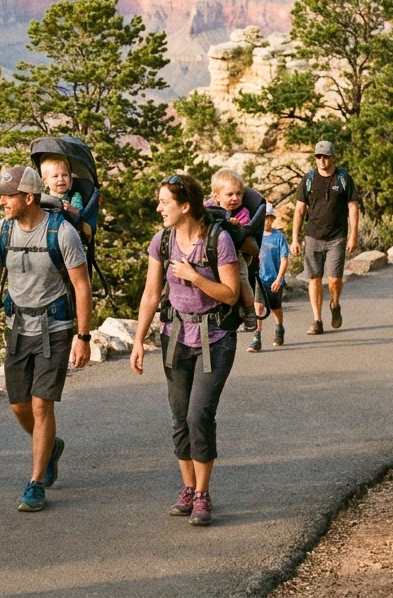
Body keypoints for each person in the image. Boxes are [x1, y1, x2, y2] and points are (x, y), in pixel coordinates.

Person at [0, 166, 93, 513]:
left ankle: (36, 482)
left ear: (29, 197)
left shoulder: (62, 233)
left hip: (54, 328)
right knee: (19, 405)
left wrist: (82, 337)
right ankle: (50, 445)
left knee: (42, 404)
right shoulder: (1, 232)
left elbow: (82, 286)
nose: (2, 202)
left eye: (8, 196)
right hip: (16, 328)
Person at [129, 173, 240, 527]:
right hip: (174, 337)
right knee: (179, 418)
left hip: (216, 338)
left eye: (165, 202)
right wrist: (138, 341)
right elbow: (150, 293)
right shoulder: (162, 242)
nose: (159, 207)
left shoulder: (218, 241)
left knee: (199, 416)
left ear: (186, 206)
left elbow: (231, 294)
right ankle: (188, 489)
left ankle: (204, 494)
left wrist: (195, 277)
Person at [291, 141, 361, 335]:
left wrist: (353, 235)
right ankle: (317, 320)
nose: (322, 160)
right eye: (318, 157)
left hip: (337, 236)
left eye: (326, 157)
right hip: (313, 235)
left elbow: (353, 207)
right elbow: (299, 210)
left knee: (334, 280)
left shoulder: (343, 178)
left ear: (333, 158)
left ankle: (335, 303)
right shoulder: (308, 179)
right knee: (314, 278)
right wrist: (295, 238)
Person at [205, 168, 263, 344]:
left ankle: (249, 310)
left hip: (235, 252)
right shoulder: (208, 208)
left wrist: (236, 225)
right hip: (210, 251)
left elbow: (245, 232)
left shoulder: (242, 212)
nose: (235, 198)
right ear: (217, 196)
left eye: (239, 194)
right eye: (229, 194)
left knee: (242, 278)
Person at [254, 203, 289, 349]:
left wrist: (279, 278)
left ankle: (279, 328)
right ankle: (257, 337)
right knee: (258, 308)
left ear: (273, 219)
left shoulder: (278, 237)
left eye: (269, 218)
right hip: (259, 279)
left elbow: (284, 259)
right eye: (263, 218)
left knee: (275, 308)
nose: (266, 221)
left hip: (274, 279)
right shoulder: (255, 236)